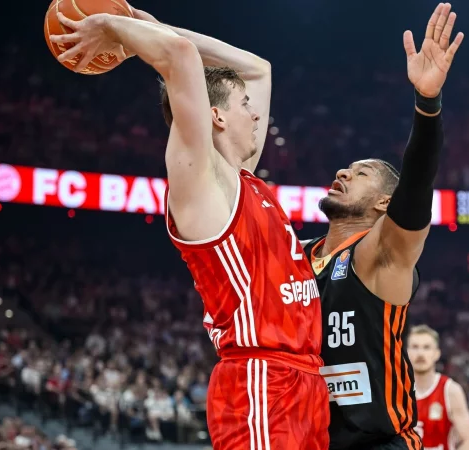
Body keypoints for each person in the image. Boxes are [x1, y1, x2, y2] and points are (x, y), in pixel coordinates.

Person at [50, 10, 328, 450]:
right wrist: (112, 25)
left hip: (304, 380)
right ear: (215, 116)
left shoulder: (246, 181)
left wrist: (147, 21)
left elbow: (258, 68)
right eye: (245, 106)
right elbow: (180, 58)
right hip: (260, 380)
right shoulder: (201, 180)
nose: (257, 116)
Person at [301, 3, 464, 449]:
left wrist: (427, 104)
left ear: (384, 202)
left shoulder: (378, 255)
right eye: (348, 167)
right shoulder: (296, 257)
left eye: (362, 172)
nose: (344, 172)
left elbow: (417, 184)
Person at [408, 326, 469, 450]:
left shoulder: (450, 390)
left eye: (426, 347)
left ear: (437, 354)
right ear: (407, 352)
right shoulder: (396, 390)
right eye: (415, 347)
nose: (420, 353)